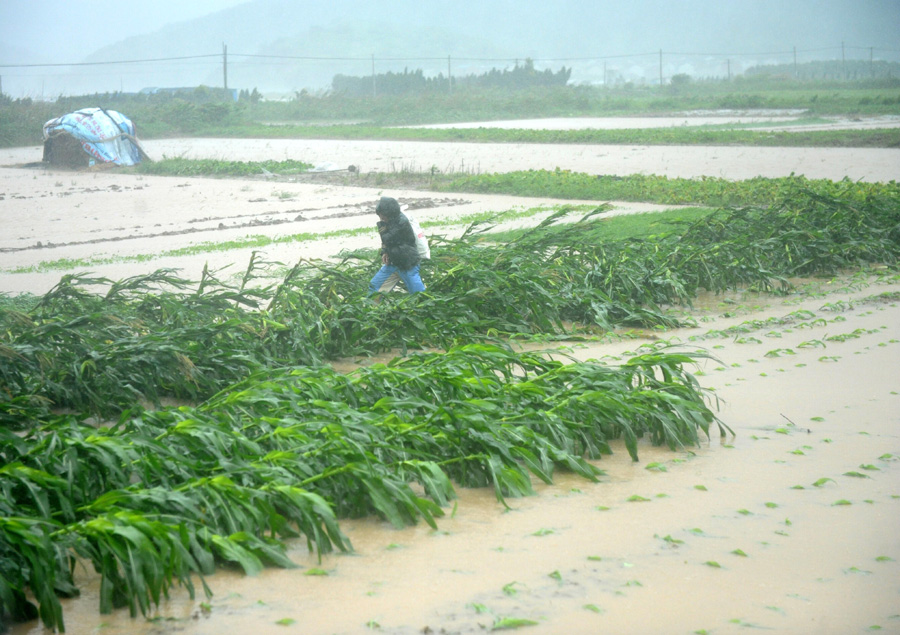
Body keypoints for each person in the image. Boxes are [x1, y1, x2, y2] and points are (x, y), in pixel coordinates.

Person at [368, 196, 426, 296]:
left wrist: (381, 227)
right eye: (380, 215)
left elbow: (387, 238)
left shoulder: (401, 222)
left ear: (390, 213)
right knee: (374, 286)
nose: (381, 218)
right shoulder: (389, 222)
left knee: (418, 294)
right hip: (393, 262)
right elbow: (387, 243)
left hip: (408, 264)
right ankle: (372, 308)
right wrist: (384, 251)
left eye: (383, 215)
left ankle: (424, 310)